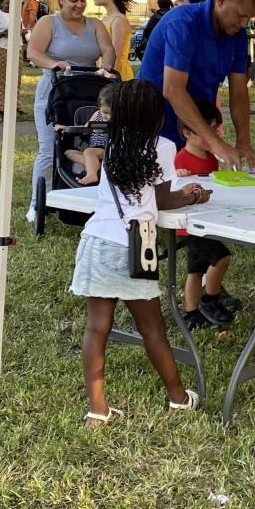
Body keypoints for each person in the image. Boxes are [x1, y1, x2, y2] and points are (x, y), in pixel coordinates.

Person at [71, 80, 206, 425]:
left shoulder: (113, 143)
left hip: (97, 240)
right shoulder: (162, 146)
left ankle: (97, 410)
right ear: (154, 116)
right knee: (152, 329)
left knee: (97, 328)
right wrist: (192, 196)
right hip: (135, 246)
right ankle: (178, 397)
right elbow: (162, 201)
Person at [135, 0, 255, 169]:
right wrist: (215, 142)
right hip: (152, 129)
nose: (243, 24)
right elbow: (173, 90)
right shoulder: (182, 23)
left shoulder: (236, 35)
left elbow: (238, 92)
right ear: (221, 0)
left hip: (194, 133)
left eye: (249, 18)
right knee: (158, 194)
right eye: (240, 15)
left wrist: (244, 142)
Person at [26, 0, 116, 221]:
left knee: (90, 143)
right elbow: (33, 52)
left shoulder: (95, 24)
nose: (79, 6)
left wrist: (107, 63)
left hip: (89, 91)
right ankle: (37, 203)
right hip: (56, 89)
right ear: (62, 0)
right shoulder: (49, 22)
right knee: (49, 147)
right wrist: (54, 64)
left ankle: (91, 197)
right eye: (73, 0)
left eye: (82, 1)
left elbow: (107, 49)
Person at [173, 99, 242, 327]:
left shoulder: (211, 157)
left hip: (207, 221)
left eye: (215, 129)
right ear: (188, 133)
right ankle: (210, 300)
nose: (213, 136)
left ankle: (191, 314)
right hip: (188, 225)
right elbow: (172, 186)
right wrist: (179, 175)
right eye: (206, 130)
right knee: (221, 257)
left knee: (195, 269)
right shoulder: (180, 159)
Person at [64, 82, 119, 186]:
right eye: (105, 113)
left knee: (89, 152)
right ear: (99, 106)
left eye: (113, 113)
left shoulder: (119, 119)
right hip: (94, 148)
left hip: (108, 149)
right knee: (68, 153)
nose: (109, 117)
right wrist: (64, 127)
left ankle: (92, 174)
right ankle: (95, 165)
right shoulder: (97, 114)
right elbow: (85, 128)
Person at [0, 0, 23, 118]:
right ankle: (0, 105)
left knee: (16, 78)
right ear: (1, 3)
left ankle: (15, 104)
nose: (9, 5)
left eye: (12, 3)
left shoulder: (17, 16)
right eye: (7, 2)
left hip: (16, 48)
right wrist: (4, 33)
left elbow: (20, 29)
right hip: (3, 48)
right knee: (2, 78)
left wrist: (22, 32)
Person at [93, 0, 134, 80]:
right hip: (104, 74)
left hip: (116, 77)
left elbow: (117, 56)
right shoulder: (106, 19)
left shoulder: (119, 20)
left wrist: (110, 79)